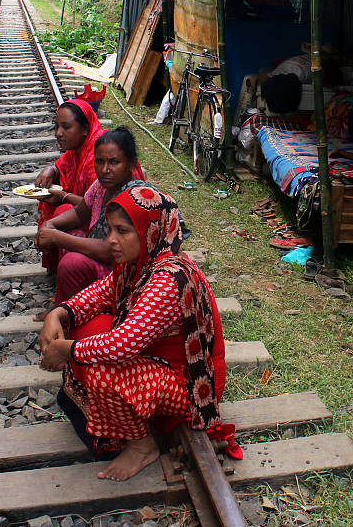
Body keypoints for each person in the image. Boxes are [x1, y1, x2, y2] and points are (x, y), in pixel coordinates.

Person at [39, 186, 233, 481]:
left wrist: (66, 349)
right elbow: (98, 296)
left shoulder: (167, 279)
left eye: (122, 231)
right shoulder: (141, 262)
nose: (110, 240)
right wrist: (58, 313)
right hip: (166, 365)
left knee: (101, 368)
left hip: (192, 384)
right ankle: (128, 418)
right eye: (111, 229)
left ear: (151, 231)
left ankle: (143, 447)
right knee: (89, 327)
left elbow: (122, 345)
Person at [34, 127, 143, 315]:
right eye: (99, 162)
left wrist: (55, 237)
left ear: (131, 164)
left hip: (124, 271)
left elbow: (110, 251)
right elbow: (79, 213)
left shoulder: (133, 197)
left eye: (114, 162)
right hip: (104, 256)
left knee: (72, 262)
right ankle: (68, 302)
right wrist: (50, 225)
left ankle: (73, 315)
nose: (105, 169)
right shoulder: (101, 186)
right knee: (65, 223)